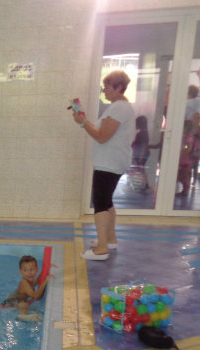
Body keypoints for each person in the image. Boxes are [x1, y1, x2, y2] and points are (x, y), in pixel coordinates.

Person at [72, 70, 135, 260]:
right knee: (106, 201)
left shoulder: (119, 108)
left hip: (109, 163)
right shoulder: (119, 107)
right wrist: (84, 121)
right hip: (111, 161)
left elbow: (101, 137)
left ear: (118, 87)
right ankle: (109, 239)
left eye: (107, 87)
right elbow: (101, 131)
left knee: (100, 203)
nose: (104, 91)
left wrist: (83, 123)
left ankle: (101, 248)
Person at [1, 255, 50, 321]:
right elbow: (35, 295)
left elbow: (37, 280)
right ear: (20, 272)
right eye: (25, 270)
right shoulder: (23, 283)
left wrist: (46, 269)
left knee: (31, 308)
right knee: (24, 305)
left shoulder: (30, 281)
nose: (29, 273)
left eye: (32, 269)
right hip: (12, 302)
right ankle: (22, 316)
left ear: (37, 269)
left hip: (20, 300)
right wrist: (45, 282)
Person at [131, 116, 150, 191]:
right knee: (141, 170)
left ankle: (143, 185)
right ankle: (144, 184)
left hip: (140, 154)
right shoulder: (144, 133)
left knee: (140, 170)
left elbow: (143, 146)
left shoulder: (142, 134)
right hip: (141, 154)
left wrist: (141, 157)